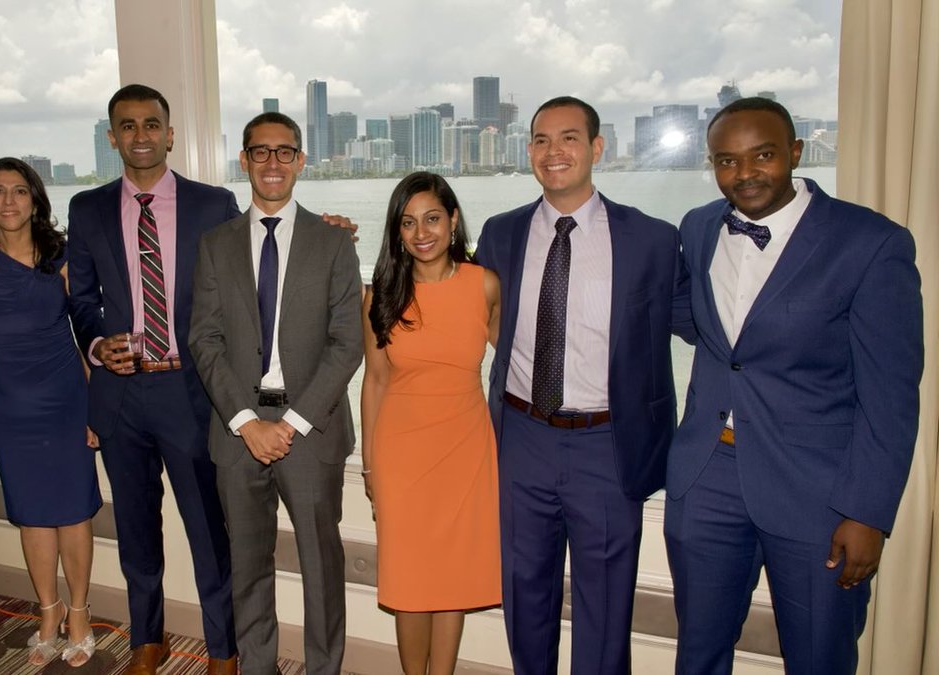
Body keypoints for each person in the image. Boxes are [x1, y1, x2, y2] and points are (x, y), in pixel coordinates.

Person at [664, 97, 923, 675]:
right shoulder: (700, 226)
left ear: (796, 153)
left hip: (820, 494)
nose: (745, 173)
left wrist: (868, 512)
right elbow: (701, 327)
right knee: (698, 654)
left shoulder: (871, 243)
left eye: (762, 156)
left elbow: (892, 397)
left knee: (819, 659)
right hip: (708, 477)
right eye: (726, 161)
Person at [475, 96, 693, 675]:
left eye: (569, 138)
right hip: (521, 437)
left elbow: (706, 323)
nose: (554, 152)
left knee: (604, 604)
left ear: (598, 148)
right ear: (529, 153)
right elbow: (456, 303)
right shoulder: (501, 234)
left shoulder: (651, 238)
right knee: (525, 594)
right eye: (541, 140)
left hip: (607, 444)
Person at [66, 84, 239, 675]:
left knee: (207, 531)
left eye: (150, 124)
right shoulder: (86, 209)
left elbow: (247, 285)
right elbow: (81, 298)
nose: (140, 135)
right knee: (137, 529)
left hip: (190, 392)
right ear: (111, 136)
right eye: (127, 126)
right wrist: (94, 344)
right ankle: (148, 639)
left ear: (170, 133)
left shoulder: (213, 205)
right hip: (120, 396)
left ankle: (223, 647)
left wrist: (326, 234)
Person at [189, 111, 364, 675]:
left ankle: (323, 669)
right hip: (238, 431)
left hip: (310, 430)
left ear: (300, 161)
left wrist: (290, 423)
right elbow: (204, 340)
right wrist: (247, 421)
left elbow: (347, 344)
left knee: (320, 565)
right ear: (244, 160)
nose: (272, 162)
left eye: (284, 151)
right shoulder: (215, 245)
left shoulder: (333, 243)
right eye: (259, 152)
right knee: (247, 567)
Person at [0, 157, 103, 668]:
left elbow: (87, 334)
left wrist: (98, 409)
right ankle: (48, 612)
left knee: (71, 511)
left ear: (35, 200)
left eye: (19, 191)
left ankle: (81, 614)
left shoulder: (62, 257)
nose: (8, 201)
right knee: (30, 516)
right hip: (8, 406)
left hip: (65, 400)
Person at [360, 172, 501, 675]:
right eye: (408, 223)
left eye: (433, 219)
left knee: (452, 578)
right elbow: (374, 382)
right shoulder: (381, 296)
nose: (422, 232)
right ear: (397, 233)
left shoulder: (483, 285)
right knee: (410, 582)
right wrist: (370, 467)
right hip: (401, 455)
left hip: (466, 451)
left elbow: (517, 366)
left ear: (454, 221)